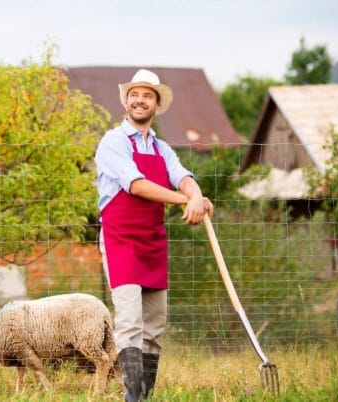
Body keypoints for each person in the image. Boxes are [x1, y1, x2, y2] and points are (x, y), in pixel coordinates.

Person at [95, 69, 214, 401]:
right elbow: (136, 185)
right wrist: (187, 200)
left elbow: (183, 176)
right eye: (134, 94)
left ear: (157, 105)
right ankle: (131, 398)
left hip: (151, 242)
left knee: (155, 326)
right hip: (120, 241)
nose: (139, 100)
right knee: (130, 322)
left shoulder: (162, 148)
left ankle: (145, 396)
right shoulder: (113, 142)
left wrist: (195, 193)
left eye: (147, 95)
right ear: (126, 101)